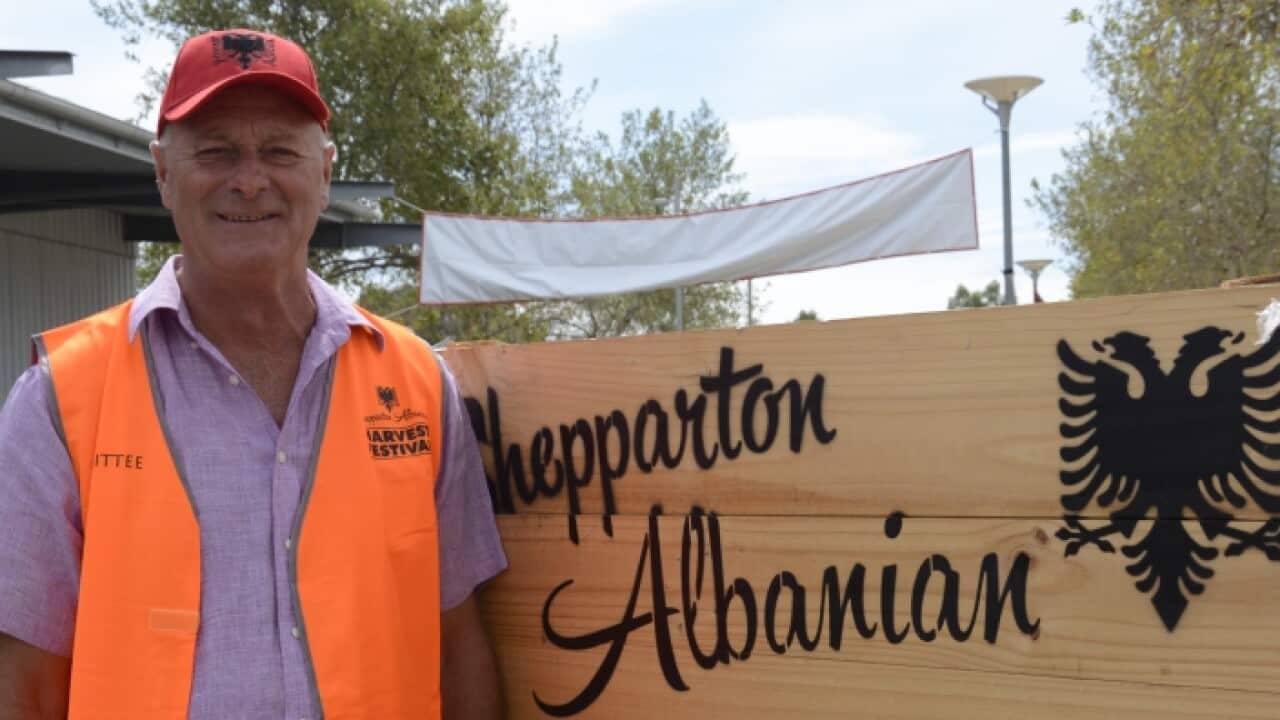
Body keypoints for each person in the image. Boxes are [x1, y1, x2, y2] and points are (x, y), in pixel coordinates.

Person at [0, 29, 506, 719]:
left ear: (324, 172)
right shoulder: (60, 398)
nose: (248, 179)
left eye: (280, 151)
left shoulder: (417, 382)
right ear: (163, 172)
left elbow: (460, 644)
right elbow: (24, 683)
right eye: (215, 151)